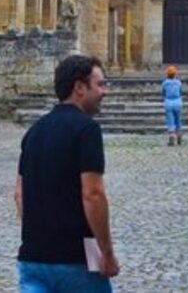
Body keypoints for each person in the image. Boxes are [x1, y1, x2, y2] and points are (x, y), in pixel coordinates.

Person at [16, 54, 119, 291]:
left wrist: (41, 235)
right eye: (100, 84)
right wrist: (106, 253)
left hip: (33, 258)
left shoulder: (34, 131)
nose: (105, 92)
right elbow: (92, 194)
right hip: (78, 257)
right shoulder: (86, 130)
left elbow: (19, 194)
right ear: (80, 88)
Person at [162, 65, 184, 146]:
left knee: (170, 120)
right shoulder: (178, 82)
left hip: (168, 102)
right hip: (178, 101)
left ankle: (171, 136)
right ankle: (179, 135)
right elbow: (181, 92)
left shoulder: (165, 83)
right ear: (175, 74)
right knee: (178, 119)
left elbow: (163, 93)